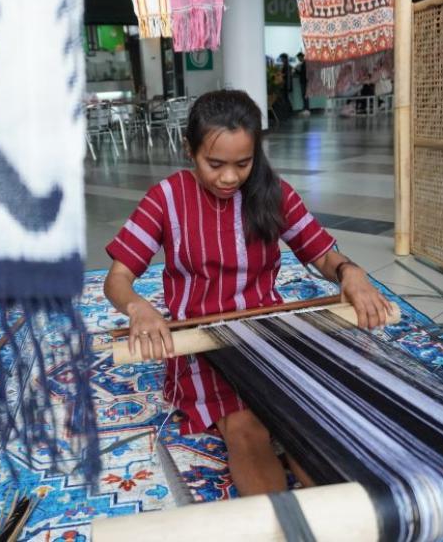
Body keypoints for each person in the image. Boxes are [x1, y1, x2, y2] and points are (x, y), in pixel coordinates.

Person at [103, 90, 391, 496]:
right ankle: (286, 526)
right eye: (215, 163)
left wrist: (350, 272)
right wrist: (139, 308)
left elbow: (323, 255)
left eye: (243, 163)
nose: (229, 177)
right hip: (199, 342)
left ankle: (346, 520)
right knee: (245, 427)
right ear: (190, 150)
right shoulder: (166, 198)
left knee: (303, 420)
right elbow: (116, 279)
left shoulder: (272, 192)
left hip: (267, 332)